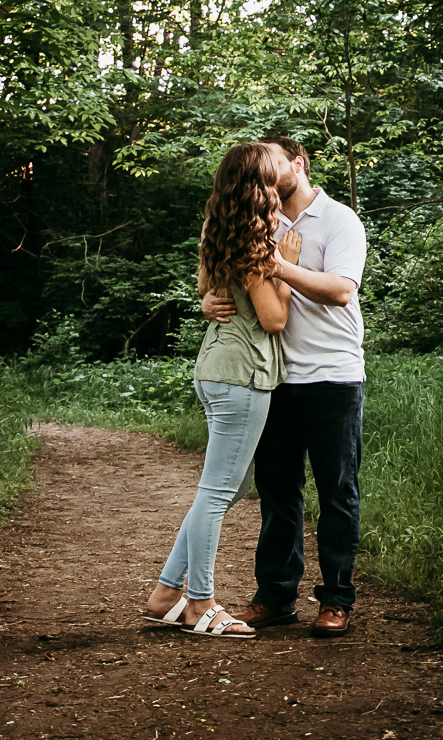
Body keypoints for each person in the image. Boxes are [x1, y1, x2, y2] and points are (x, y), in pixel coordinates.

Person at [202, 136, 368, 637]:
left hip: (332, 376)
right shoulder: (259, 219)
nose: (267, 173)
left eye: (275, 162)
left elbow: (341, 290)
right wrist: (207, 302)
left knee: (337, 492)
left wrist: (277, 264)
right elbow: (226, 280)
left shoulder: (340, 220)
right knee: (278, 494)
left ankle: (336, 599)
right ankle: (275, 596)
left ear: (298, 164)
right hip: (272, 377)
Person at [143, 142, 301, 639]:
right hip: (241, 374)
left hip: (215, 367)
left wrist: (215, 297)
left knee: (223, 490)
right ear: (259, 183)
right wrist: (287, 270)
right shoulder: (257, 241)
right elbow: (274, 319)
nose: (283, 173)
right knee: (217, 494)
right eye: (273, 170)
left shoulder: (219, 227)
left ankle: (167, 592)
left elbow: (203, 285)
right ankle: (200, 603)